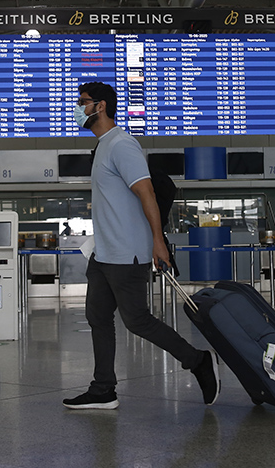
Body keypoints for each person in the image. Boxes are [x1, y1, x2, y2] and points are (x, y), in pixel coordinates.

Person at [62, 82, 220, 410]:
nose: (78, 108)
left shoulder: (121, 144)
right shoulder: (103, 146)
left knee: (137, 320)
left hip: (126, 253)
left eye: (82, 102)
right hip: (103, 253)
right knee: (98, 317)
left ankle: (198, 360)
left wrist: (158, 243)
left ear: (100, 106)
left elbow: (146, 192)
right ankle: (103, 388)